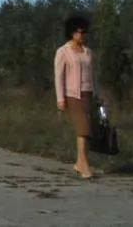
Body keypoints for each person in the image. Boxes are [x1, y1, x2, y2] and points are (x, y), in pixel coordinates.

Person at [55, 15, 96, 178]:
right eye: (80, 32)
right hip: (73, 94)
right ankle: (84, 165)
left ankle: (80, 162)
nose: (83, 35)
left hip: (88, 93)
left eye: (85, 32)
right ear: (72, 33)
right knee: (82, 128)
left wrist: (97, 94)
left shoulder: (88, 52)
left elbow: (93, 75)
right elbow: (59, 76)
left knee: (87, 130)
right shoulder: (63, 52)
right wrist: (60, 99)